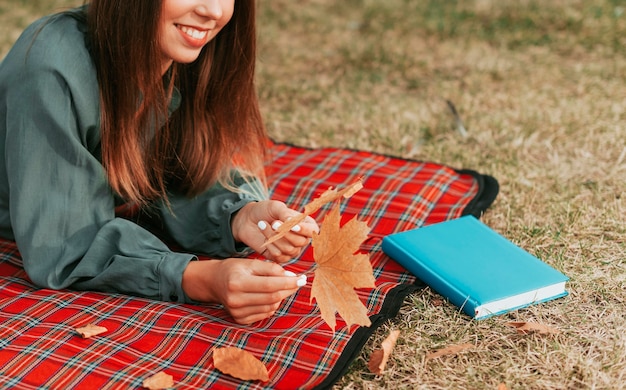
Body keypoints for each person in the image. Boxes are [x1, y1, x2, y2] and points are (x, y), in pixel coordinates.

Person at [0, 0, 319, 325]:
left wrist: (239, 216)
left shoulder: (185, 53)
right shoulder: (51, 66)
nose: (213, 11)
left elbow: (177, 167)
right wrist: (201, 278)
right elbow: (65, 245)